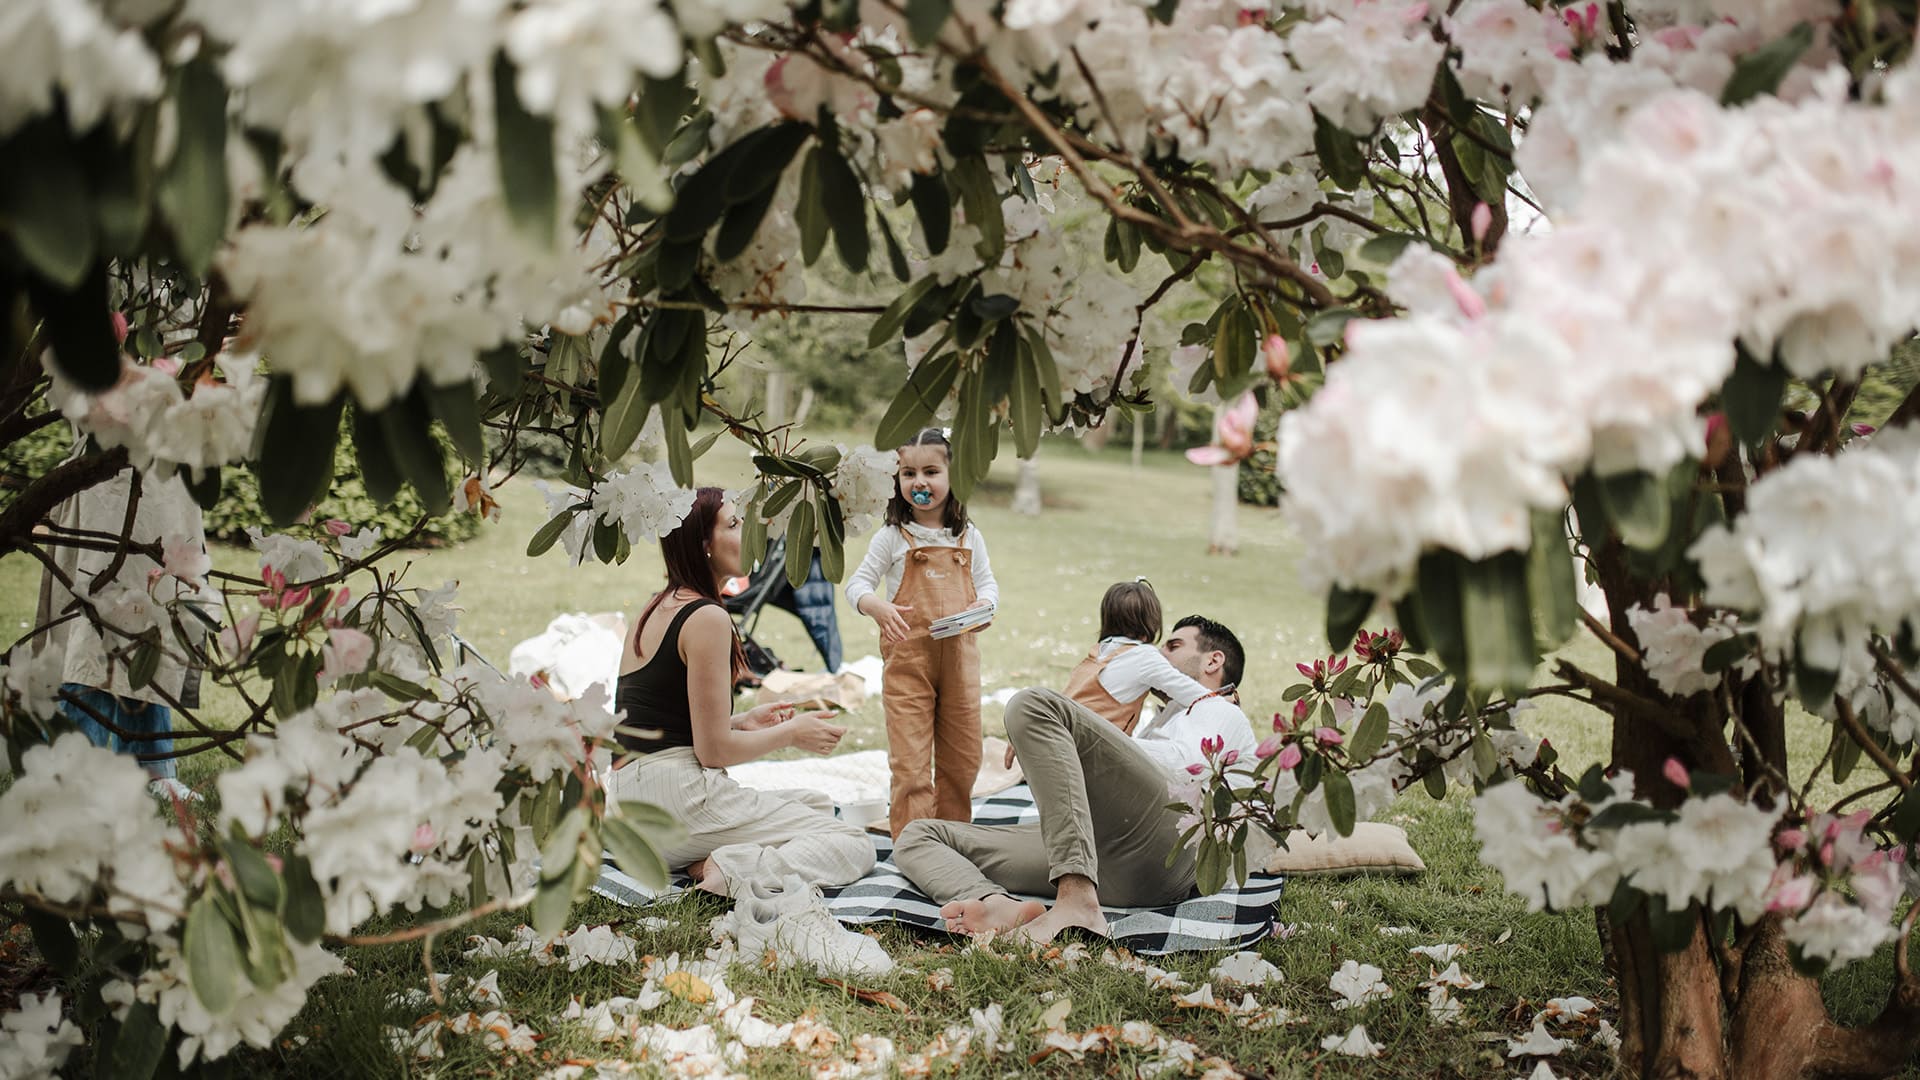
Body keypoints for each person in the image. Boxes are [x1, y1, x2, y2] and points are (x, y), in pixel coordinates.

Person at [894, 615, 1259, 944]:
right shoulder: (1161, 717)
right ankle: (995, 905)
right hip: (1107, 859)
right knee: (918, 835)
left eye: (1173, 646)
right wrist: (1062, 744)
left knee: (1033, 704)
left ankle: (1077, 901)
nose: (1157, 653)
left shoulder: (1221, 710)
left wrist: (1075, 735)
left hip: (1173, 851)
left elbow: (1186, 771)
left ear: (1213, 661)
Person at [607, 487, 875, 898]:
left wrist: (741, 722)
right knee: (854, 843)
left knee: (816, 804)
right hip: (675, 803)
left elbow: (662, 721)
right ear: (703, 544)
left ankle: (701, 859)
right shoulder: (707, 617)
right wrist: (791, 733)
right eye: (733, 524)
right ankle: (729, 869)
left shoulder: (657, 606)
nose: (748, 532)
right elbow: (713, 752)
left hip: (631, 810)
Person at [845, 428, 998, 837]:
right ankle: (914, 844)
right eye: (908, 473)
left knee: (963, 758)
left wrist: (985, 605)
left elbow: (987, 585)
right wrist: (876, 606)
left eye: (931, 471)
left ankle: (952, 836)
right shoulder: (891, 538)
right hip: (908, 667)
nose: (919, 482)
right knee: (910, 763)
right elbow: (857, 585)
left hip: (961, 666)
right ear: (896, 479)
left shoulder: (969, 537)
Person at [39, 467, 211, 802]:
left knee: (155, 627)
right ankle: (73, 769)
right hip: (108, 485)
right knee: (94, 631)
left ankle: (152, 769)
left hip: (169, 488)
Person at [1061, 579, 1210, 735]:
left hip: (1061, 733)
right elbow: (1194, 694)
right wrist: (1220, 700)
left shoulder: (1099, 651)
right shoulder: (1144, 656)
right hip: (1089, 744)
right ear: (1151, 622)